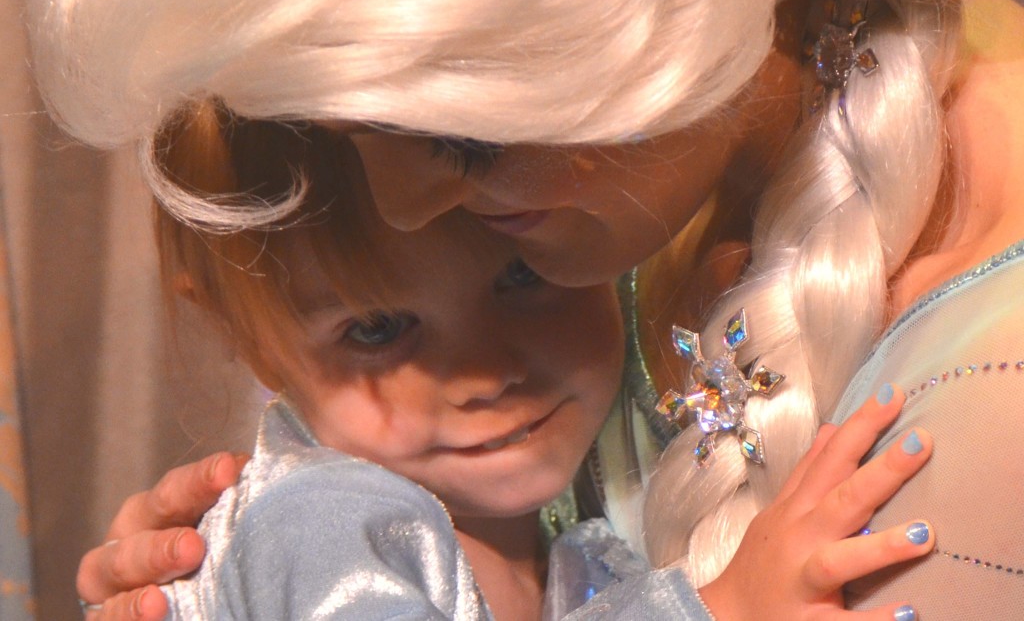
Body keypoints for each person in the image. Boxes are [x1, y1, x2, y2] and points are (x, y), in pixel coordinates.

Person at [26, 0, 1024, 618]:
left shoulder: (989, 360)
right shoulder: (340, 515)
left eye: (462, 140)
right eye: (354, 132)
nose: (404, 209)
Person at [105, 99, 930, 620]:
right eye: (379, 329)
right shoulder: (319, 523)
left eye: (523, 278)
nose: (486, 371)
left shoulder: (573, 549)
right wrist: (720, 607)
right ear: (254, 343)